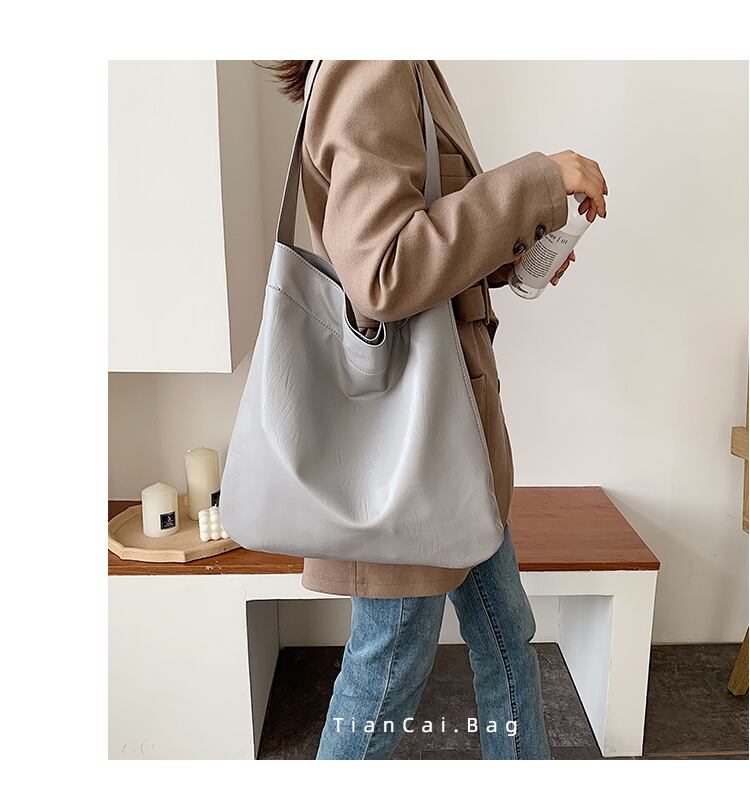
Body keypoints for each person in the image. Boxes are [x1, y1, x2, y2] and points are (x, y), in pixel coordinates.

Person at [268, 60, 607, 760]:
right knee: (389, 668)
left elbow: (422, 232)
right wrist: (539, 178)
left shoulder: (406, 58)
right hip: (410, 452)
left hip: (453, 435)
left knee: (504, 635)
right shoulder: (373, 58)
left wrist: (517, 254)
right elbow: (382, 272)